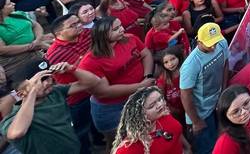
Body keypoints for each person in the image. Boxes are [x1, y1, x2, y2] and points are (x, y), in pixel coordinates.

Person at [78, 16, 155, 144]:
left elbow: (145, 54)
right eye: (116, 29)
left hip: (139, 96)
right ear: (103, 35)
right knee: (121, 143)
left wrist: (147, 76)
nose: (122, 29)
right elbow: (104, 91)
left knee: (146, 135)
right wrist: (140, 85)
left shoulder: (130, 39)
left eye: (120, 26)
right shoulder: (90, 62)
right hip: (113, 108)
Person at [0, 57, 100, 154]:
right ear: (21, 93)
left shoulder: (55, 93)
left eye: (48, 77)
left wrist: (72, 69)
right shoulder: (13, 118)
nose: (48, 82)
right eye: (41, 80)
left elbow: (93, 82)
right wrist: (32, 92)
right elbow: (16, 132)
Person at [45, 12, 94, 153]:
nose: (79, 26)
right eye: (73, 25)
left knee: (95, 126)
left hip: (97, 87)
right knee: (82, 131)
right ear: (60, 32)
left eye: (79, 22)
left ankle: (99, 141)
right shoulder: (53, 55)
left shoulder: (87, 34)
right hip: (78, 97)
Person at [180, 21, 230, 154]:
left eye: (215, 42)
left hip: (218, 102)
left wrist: (224, 90)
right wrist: (196, 121)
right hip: (201, 113)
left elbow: (225, 63)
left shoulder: (221, 43)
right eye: (209, 44)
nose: (213, 47)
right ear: (199, 42)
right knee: (206, 148)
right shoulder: (190, 65)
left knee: (221, 140)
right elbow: (185, 95)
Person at [112, 86, 189, 154]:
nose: (160, 105)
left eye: (160, 99)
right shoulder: (129, 148)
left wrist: (187, 147)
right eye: (152, 106)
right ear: (140, 115)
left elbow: (176, 133)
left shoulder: (163, 115)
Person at [0, 0, 52, 75]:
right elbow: (2, 49)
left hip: (37, 42)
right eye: (9, 4)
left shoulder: (17, 14)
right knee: (50, 45)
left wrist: (38, 39)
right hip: (21, 53)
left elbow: (35, 25)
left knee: (56, 36)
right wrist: (31, 46)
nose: (13, 4)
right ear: (1, 9)